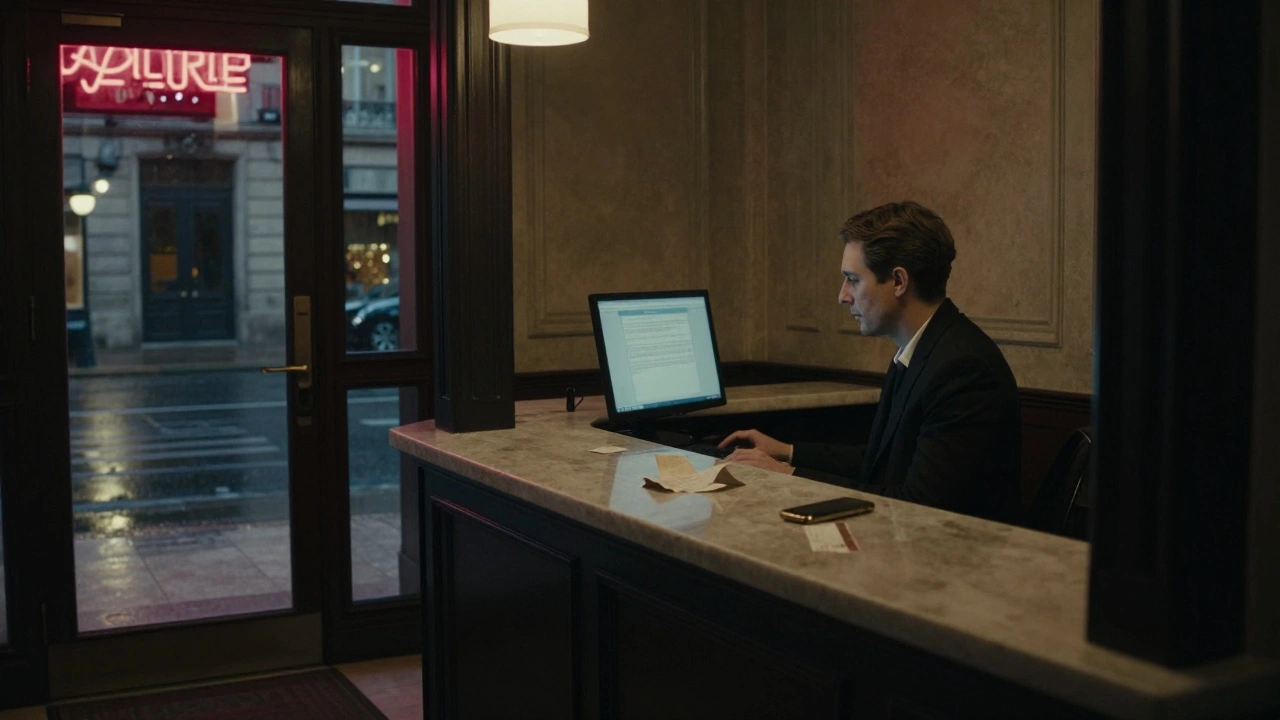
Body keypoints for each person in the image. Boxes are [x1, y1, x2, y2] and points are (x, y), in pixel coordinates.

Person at [719, 201, 1022, 523]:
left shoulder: (964, 370)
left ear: (899, 282)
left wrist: (787, 473)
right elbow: (881, 461)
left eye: (853, 279)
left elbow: (918, 506)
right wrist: (785, 451)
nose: (842, 296)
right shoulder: (920, 350)